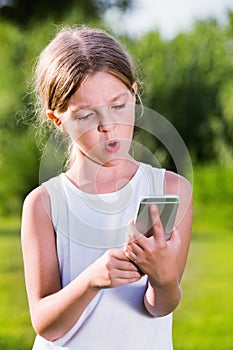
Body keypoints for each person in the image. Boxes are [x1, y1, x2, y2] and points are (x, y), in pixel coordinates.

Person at [21, 26, 192, 350]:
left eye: (118, 105)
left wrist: (162, 275)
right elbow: (46, 324)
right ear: (57, 120)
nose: (107, 125)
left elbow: (160, 306)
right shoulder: (44, 204)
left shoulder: (171, 188)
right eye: (86, 115)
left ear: (134, 94)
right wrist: (92, 280)